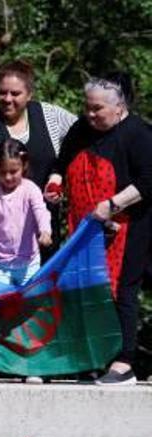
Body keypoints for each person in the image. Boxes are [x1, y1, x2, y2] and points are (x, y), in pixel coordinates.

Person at [47, 74, 152, 386]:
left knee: (121, 290)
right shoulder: (82, 128)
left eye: (97, 110)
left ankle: (124, 362)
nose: (90, 114)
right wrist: (55, 181)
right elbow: (61, 161)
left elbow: (149, 180)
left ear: (118, 108)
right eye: (87, 108)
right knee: (87, 290)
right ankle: (93, 357)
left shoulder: (138, 134)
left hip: (129, 227)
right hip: (86, 228)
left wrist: (113, 204)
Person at [0, 138, 52, 384]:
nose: (8, 177)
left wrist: (45, 231)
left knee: (29, 314)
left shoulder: (30, 190)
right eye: (3, 172)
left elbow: (41, 212)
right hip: (0, 266)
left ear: (23, 166)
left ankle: (31, 365)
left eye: (13, 171)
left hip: (29, 264)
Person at [0, 61, 77, 249]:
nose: (7, 99)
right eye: (2, 92)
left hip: (46, 229)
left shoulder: (49, 115)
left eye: (15, 93)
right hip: (6, 235)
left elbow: (80, 136)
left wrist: (60, 176)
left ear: (29, 95)